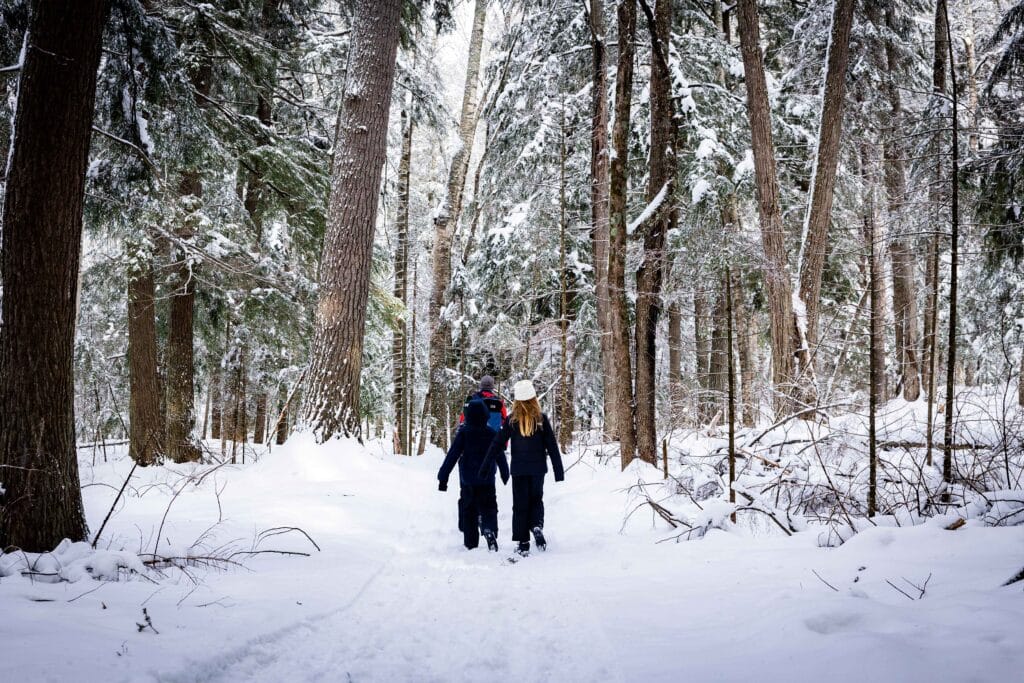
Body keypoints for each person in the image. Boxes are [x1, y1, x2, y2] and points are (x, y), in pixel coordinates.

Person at [480, 379, 564, 557]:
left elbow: (497, 443)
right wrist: (558, 471)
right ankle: (536, 526)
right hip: (538, 469)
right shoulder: (541, 419)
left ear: (517, 400)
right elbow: (552, 446)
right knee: (536, 500)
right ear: (533, 398)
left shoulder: (512, 420)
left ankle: (523, 543)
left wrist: (485, 465)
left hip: (519, 469)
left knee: (520, 505)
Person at [438, 398, 508, 551]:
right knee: (489, 506)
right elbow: (499, 454)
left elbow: (452, 455)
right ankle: (489, 529)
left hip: (468, 479)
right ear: (486, 415)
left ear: (468, 416)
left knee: (469, 509)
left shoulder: (464, 433)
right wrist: (505, 473)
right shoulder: (491, 433)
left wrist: (443, 478)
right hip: (487, 478)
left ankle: (471, 543)